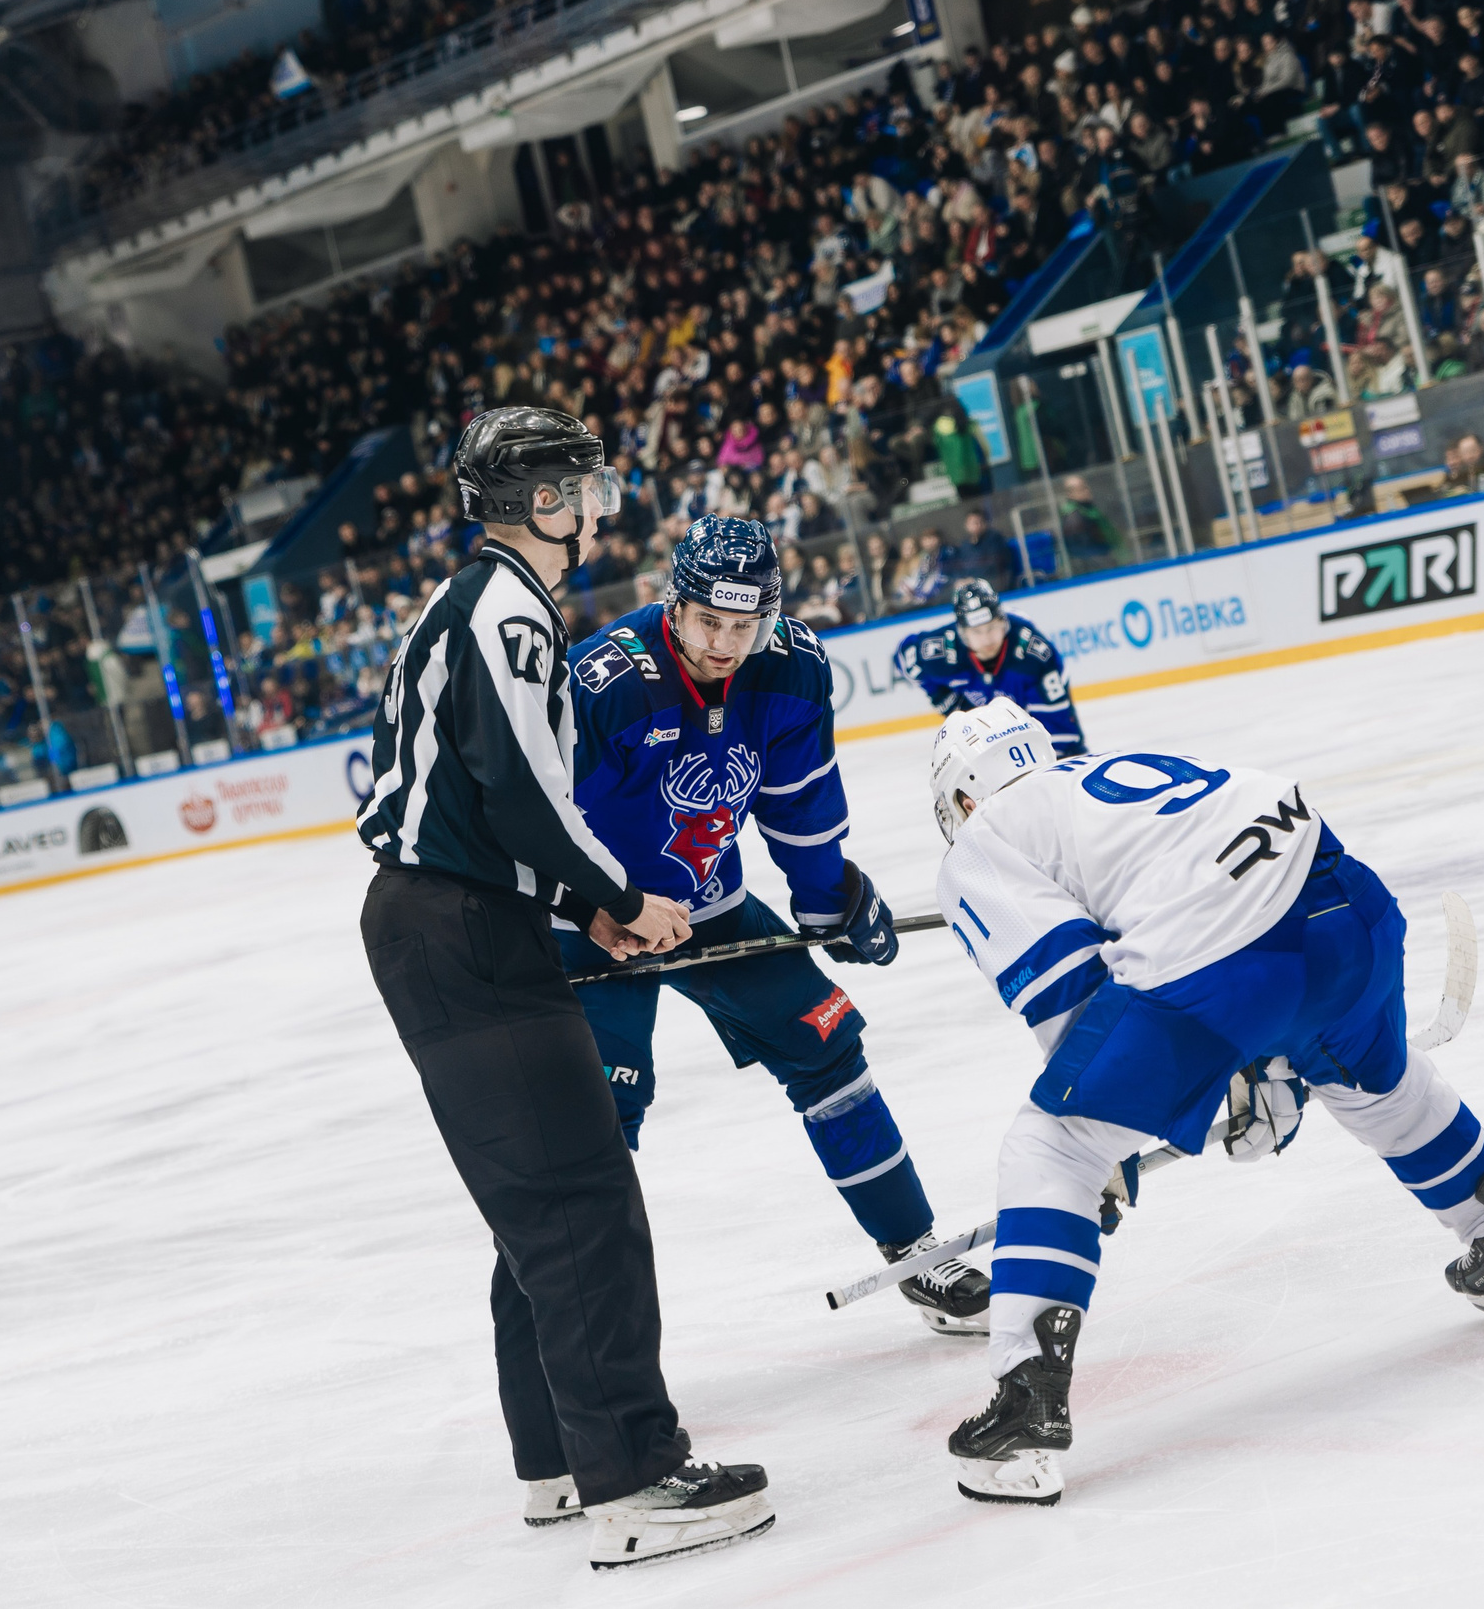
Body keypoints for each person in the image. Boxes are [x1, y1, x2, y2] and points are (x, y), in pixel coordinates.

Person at [925, 701, 1484, 1508]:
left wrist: (1113, 1145)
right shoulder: (1104, 775)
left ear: (962, 797)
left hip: (1228, 959)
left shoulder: (986, 836)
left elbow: (1069, 995)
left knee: (1052, 1146)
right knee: (1371, 1077)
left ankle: (1026, 1408)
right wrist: (1259, 1065)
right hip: (1348, 903)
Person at [354, 407, 771, 1570]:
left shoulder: (477, 606)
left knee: (540, 1209)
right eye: (581, 486)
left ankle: (554, 1463)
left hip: (452, 925)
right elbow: (528, 792)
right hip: (463, 931)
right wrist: (617, 896)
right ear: (541, 504)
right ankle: (635, 1475)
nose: (597, 503)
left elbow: (493, 807)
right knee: (583, 1202)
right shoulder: (507, 612)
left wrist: (581, 905)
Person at [562, 516, 989, 1336]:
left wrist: (829, 899)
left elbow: (800, 805)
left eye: (744, 624)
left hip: (712, 905)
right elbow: (540, 819)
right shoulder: (603, 682)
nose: (725, 643)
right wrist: (599, 906)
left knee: (828, 1045)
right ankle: (595, 1348)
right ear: (674, 604)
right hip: (592, 927)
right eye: (709, 622)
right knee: (597, 1120)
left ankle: (914, 1247)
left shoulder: (790, 667)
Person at [894, 580, 1086, 756]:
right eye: (977, 632)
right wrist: (942, 697)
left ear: (1003, 622)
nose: (986, 639)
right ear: (962, 633)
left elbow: (1062, 735)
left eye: (992, 628)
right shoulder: (940, 651)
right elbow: (904, 656)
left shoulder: (1033, 655)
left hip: (1029, 713)